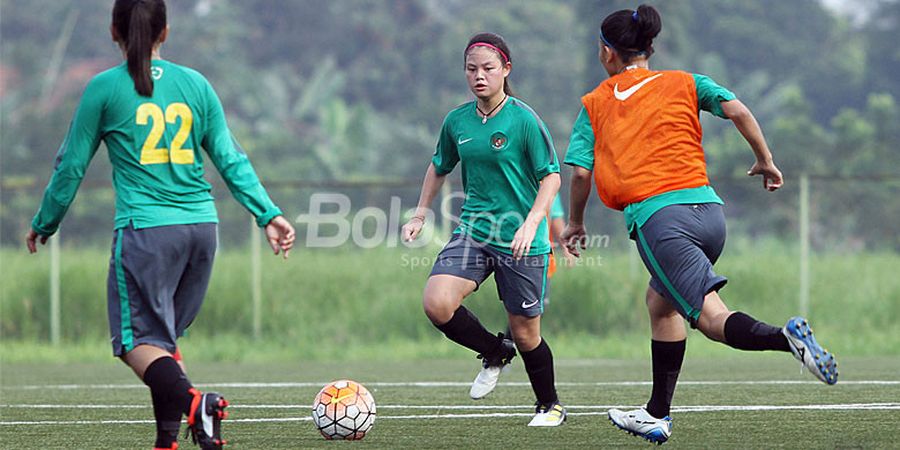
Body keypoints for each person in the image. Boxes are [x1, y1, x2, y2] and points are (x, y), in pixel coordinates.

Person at [561, 4, 838, 444]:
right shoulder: (685, 82)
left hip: (660, 220)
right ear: (649, 47)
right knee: (661, 304)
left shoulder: (596, 103)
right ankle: (657, 413)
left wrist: (574, 223)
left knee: (712, 320)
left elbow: (579, 173)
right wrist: (765, 161)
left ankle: (788, 340)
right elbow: (739, 110)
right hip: (709, 213)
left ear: (607, 53)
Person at [25, 1, 295, 448]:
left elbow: (70, 166)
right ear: (165, 31)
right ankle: (168, 441)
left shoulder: (104, 89)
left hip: (147, 232)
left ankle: (196, 405)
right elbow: (229, 157)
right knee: (163, 341)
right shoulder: (196, 85)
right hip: (202, 231)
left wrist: (45, 222)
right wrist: (268, 213)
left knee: (136, 344)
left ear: (114, 31)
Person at [401, 32, 566, 427]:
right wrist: (420, 213)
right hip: (474, 229)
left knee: (527, 335)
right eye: (472, 69)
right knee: (437, 302)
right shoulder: (456, 121)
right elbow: (439, 165)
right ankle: (495, 351)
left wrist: (531, 222)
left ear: (506, 70)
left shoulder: (525, 119)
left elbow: (552, 178)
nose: (480, 76)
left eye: (489, 69)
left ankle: (550, 406)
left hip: (521, 238)